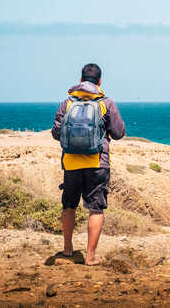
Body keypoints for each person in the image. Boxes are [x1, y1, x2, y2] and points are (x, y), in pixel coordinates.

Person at [51, 63, 125, 265]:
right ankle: (90, 256)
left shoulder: (67, 103)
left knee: (68, 205)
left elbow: (56, 133)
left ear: (81, 79)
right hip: (97, 163)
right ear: (100, 81)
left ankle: (67, 249)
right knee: (96, 208)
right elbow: (118, 133)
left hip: (71, 163)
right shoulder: (105, 103)